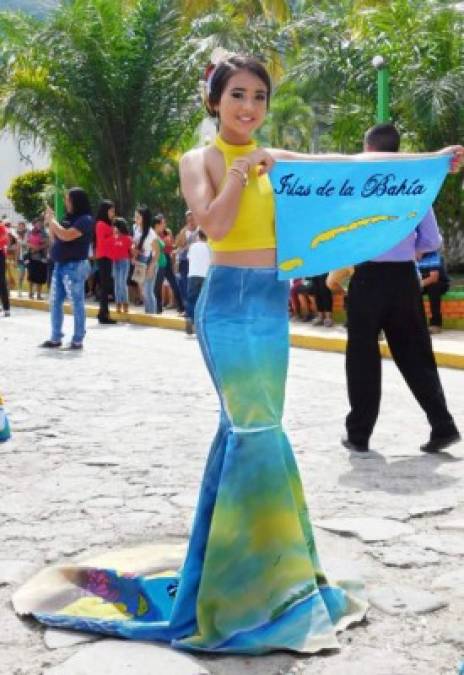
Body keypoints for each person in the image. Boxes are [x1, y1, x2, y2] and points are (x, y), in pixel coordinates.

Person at [20, 56, 463, 655]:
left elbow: (350, 172)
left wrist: (428, 164)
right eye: (237, 95)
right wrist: (240, 172)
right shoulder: (198, 160)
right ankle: (252, 586)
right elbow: (216, 226)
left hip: (270, 303)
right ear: (215, 100)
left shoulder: (277, 158)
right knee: (255, 430)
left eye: (258, 96)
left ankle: (244, 573)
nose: (248, 106)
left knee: (250, 429)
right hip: (226, 304)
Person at [343, 123, 461, 455]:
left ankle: (359, 434)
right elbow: (432, 241)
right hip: (405, 279)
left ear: (368, 150)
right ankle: (442, 425)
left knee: (362, 356)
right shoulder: (414, 187)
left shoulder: (356, 187)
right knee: (416, 354)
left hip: (367, 278)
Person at [41, 188, 94, 350]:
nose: (66, 202)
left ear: (76, 201)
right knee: (55, 301)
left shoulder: (85, 220)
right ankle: (56, 337)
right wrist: (50, 221)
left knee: (77, 303)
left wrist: (53, 222)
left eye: (68, 199)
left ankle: (78, 339)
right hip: (60, 264)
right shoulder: (68, 218)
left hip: (75, 266)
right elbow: (55, 237)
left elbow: (66, 235)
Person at [153, 214, 184, 314]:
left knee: (173, 283)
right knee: (158, 285)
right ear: (157, 224)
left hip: (166, 258)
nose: (165, 224)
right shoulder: (153, 234)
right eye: (163, 222)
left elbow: (171, 246)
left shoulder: (168, 232)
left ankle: (181, 307)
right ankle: (158, 308)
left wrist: (173, 245)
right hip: (159, 259)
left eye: (165, 222)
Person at [132, 205, 158, 314]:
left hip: (150, 262)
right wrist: (134, 254)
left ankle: (152, 316)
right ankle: (148, 315)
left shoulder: (151, 234)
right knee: (143, 291)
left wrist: (151, 267)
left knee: (148, 291)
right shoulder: (136, 228)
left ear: (144, 217)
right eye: (135, 216)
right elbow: (135, 244)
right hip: (140, 262)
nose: (135, 218)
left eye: (138, 216)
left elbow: (157, 252)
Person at [95, 200, 117, 324]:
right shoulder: (101, 224)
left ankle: (102, 313)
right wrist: (113, 236)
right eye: (111, 210)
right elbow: (103, 242)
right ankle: (104, 314)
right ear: (105, 211)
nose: (113, 213)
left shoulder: (107, 224)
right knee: (105, 286)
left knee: (106, 286)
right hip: (103, 257)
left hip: (107, 257)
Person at [418, 250, 450, 334]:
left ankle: (436, 325)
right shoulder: (410, 257)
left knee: (434, 289)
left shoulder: (433, 256)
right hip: (423, 283)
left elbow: (434, 278)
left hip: (440, 283)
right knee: (411, 293)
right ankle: (418, 324)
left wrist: (416, 285)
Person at [185, 229, 210, 334]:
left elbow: (188, 258)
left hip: (193, 274)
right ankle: (201, 323)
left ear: (198, 236)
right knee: (203, 300)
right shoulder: (210, 247)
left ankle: (190, 319)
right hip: (205, 275)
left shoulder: (192, 246)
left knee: (191, 299)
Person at [174, 210, 199, 303]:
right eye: (188, 220)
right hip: (184, 261)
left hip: (196, 262)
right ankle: (186, 307)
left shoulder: (200, 231)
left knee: (193, 286)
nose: (191, 222)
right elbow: (177, 244)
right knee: (183, 284)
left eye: (192, 219)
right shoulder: (184, 231)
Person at [111, 217, 132, 313]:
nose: (113, 228)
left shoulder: (128, 238)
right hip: (115, 262)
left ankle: (125, 304)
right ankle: (118, 304)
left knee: (122, 283)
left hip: (124, 262)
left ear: (119, 227)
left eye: (115, 226)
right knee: (117, 284)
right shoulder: (113, 237)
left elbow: (131, 251)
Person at [26, 219, 49, 300]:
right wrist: (33, 247)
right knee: (31, 276)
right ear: (34, 224)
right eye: (37, 223)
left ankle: (39, 295)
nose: (39, 224)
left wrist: (38, 248)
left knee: (40, 277)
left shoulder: (44, 233)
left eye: (40, 223)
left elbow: (47, 243)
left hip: (41, 258)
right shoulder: (29, 232)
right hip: (31, 258)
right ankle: (30, 293)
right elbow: (27, 242)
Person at [15, 221, 29, 297]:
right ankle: (19, 291)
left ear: (24, 227)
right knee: (21, 275)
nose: (20, 228)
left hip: (28, 258)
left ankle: (31, 291)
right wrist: (16, 259)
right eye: (19, 226)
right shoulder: (17, 236)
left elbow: (28, 245)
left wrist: (24, 244)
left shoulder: (28, 235)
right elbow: (17, 248)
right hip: (21, 259)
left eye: (22, 226)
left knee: (29, 275)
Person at [0, 219, 10, 316]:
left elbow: (5, 238)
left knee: (1, 281)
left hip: (0, 254)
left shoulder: (1, 227)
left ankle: (6, 308)